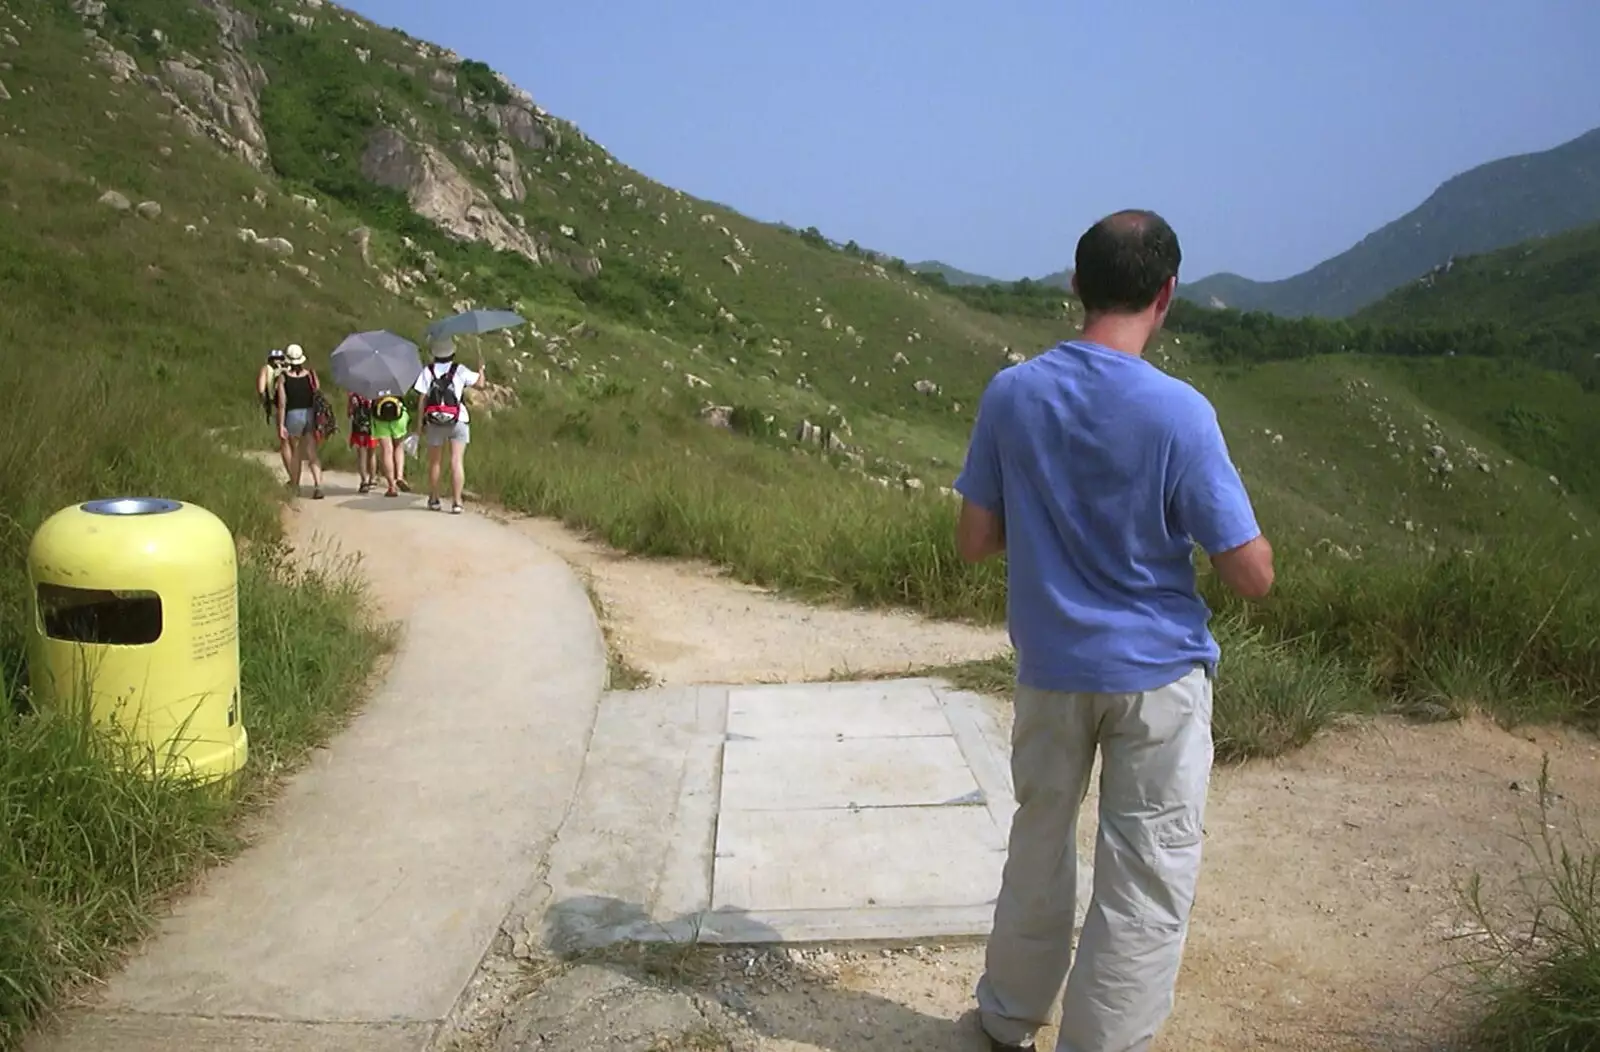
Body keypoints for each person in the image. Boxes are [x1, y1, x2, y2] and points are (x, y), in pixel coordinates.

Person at [955, 210, 1275, 1052]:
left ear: (1075, 284)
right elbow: (1253, 574)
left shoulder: (1011, 394)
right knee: (1144, 873)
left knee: (1038, 844)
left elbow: (975, 540)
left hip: (1051, 665)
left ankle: (1007, 1014)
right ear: (1166, 294)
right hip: (1157, 676)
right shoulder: (1181, 413)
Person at [410, 337, 483, 514]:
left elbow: (422, 400)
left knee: (435, 462)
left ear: (434, 353)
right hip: (458, 419)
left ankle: (434, 499)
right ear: (452, 352)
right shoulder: (459, 370)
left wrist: (420, 426)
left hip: (434, 421)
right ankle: (457, 502)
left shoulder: (428, 371)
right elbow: (480, 384)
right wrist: (482, 369)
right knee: (457, 461)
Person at [276, 343, 326, 500]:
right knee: (312, 452)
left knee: (296, 453)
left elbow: (282, 403)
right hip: (310, 414)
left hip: (292, 415)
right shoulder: (311, 374)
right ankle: (318, 485)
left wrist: (281, 424)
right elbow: (317, 393)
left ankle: (295, 486)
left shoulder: (283, 378)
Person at [370, 388, 413, 498]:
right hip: (397, 414)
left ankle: (391, 486)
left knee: (386, 451)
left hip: (380, 416)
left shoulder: (372, 381)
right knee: (399, 446)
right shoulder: (395, 378)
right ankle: (399, 476)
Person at [256, 348, 291, 481]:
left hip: (276, 405)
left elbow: (261, 389)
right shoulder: (289, 369)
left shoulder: (266, 369)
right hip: (293, 406)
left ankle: (291, 475)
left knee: (284, 440)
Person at [347, 390, 377, 493]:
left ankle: (364, 481)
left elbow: (349, 413)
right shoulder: (374, 393)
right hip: (372, 427)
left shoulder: (353, 394)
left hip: (358, 428)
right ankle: (372, 479)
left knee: (361, 454)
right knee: (372, 454)